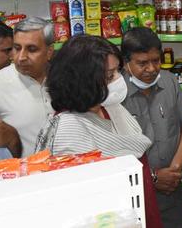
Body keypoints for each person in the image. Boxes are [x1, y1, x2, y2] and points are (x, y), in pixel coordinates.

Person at [35, 35, 162, 228]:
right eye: (109, 76)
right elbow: (81, 206)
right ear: (84, 81)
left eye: (117, 72)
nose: (119, 81)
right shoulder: (69, 129)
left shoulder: (109, 107)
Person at [121, 27, 182, 228]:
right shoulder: (115, 93)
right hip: (135, 194)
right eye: (142, 63)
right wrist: (152, 177)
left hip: (171, 189)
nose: (152, 69)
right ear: (126, 63)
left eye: (156, 60)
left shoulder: (169, 81)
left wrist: (175, 170)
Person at [0, 17, 54, 158]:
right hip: (21, 177)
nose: (21, 57)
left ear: (49, 52)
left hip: (68, 173)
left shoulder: (65, 79)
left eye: (31, 49)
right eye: (17, 48)